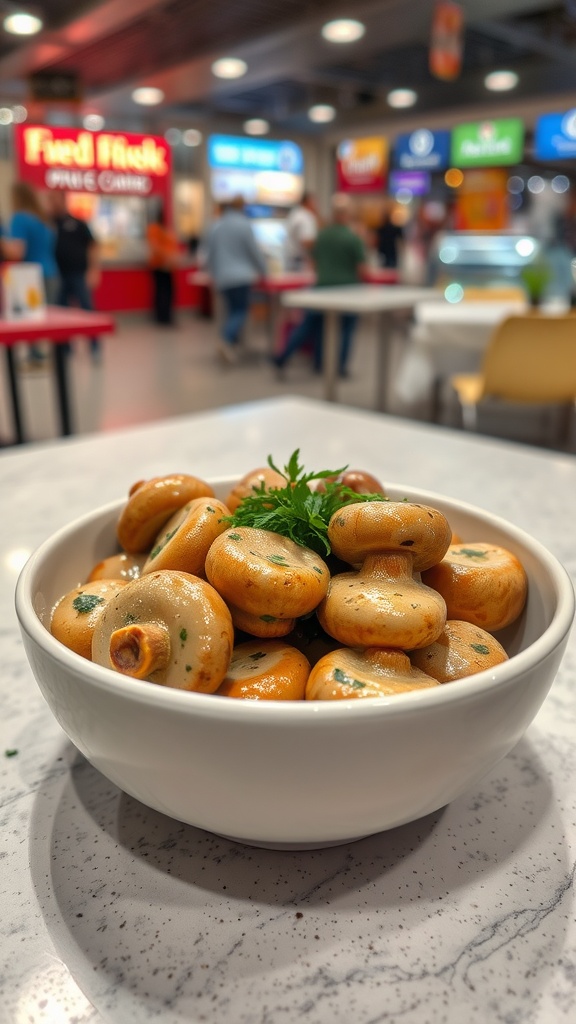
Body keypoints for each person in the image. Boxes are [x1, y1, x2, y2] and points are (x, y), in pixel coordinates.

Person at [273, 193, 367, 377]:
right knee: (346, 329)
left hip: (322, 287)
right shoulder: (353, 238)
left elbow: (313, 262)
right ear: (347, 215)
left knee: (311, 325)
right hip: (348, 290)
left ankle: (285, 357)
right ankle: (339, 367)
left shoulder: (321, 236)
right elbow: (362, 268)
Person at [203, 196, 267, 363]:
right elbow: (254, 252)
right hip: (241, 277)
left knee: (232, 311)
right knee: (240, 311)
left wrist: (213, 274)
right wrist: (264, 270)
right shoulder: (244, 225)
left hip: (222, 278)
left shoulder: (216, 225)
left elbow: (208, 254)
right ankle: (226, 339)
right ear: (243, 207)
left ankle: (233, 345)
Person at [2, 182, 58, 363]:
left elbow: (17, 252)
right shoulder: (42, 220)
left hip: (31, 278)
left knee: (29, 320)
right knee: (43, 319)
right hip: (51, 272)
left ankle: (35, 356)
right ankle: (41, 354)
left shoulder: (19, 218)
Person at [49, 190, 102, 357]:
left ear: (64, 200)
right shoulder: (48, 224)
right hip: (58, 275)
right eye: (50, 200)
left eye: (55, 199)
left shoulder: (78, 223)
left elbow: (93, 246)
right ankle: (65, 348)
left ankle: (94, 347)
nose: (53, 203)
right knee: (61, 314)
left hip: (79, 273)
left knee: (87, 310)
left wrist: (93, 270)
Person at [146, 205, 179, 326]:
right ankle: (162, 318)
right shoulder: (154, 229)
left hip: (168, 267)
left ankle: (167, 316)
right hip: (160, 266)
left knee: (169, 292)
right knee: (162, 292)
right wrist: (168, 256)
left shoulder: (167, 229)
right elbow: (154, 247)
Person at [284, 192, 319, 270]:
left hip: (290, 259)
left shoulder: (295, 214)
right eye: (314, 202)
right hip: (301, 262)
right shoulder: (306, 217)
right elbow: (306, 242)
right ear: (308, 202)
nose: (316, 205)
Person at [375, 199, 404, 269]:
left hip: (385, 251)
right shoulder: (383, 228)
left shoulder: (381, 228)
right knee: (390, 268)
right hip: (390, 251)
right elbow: (401, 239)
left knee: (385, 269)